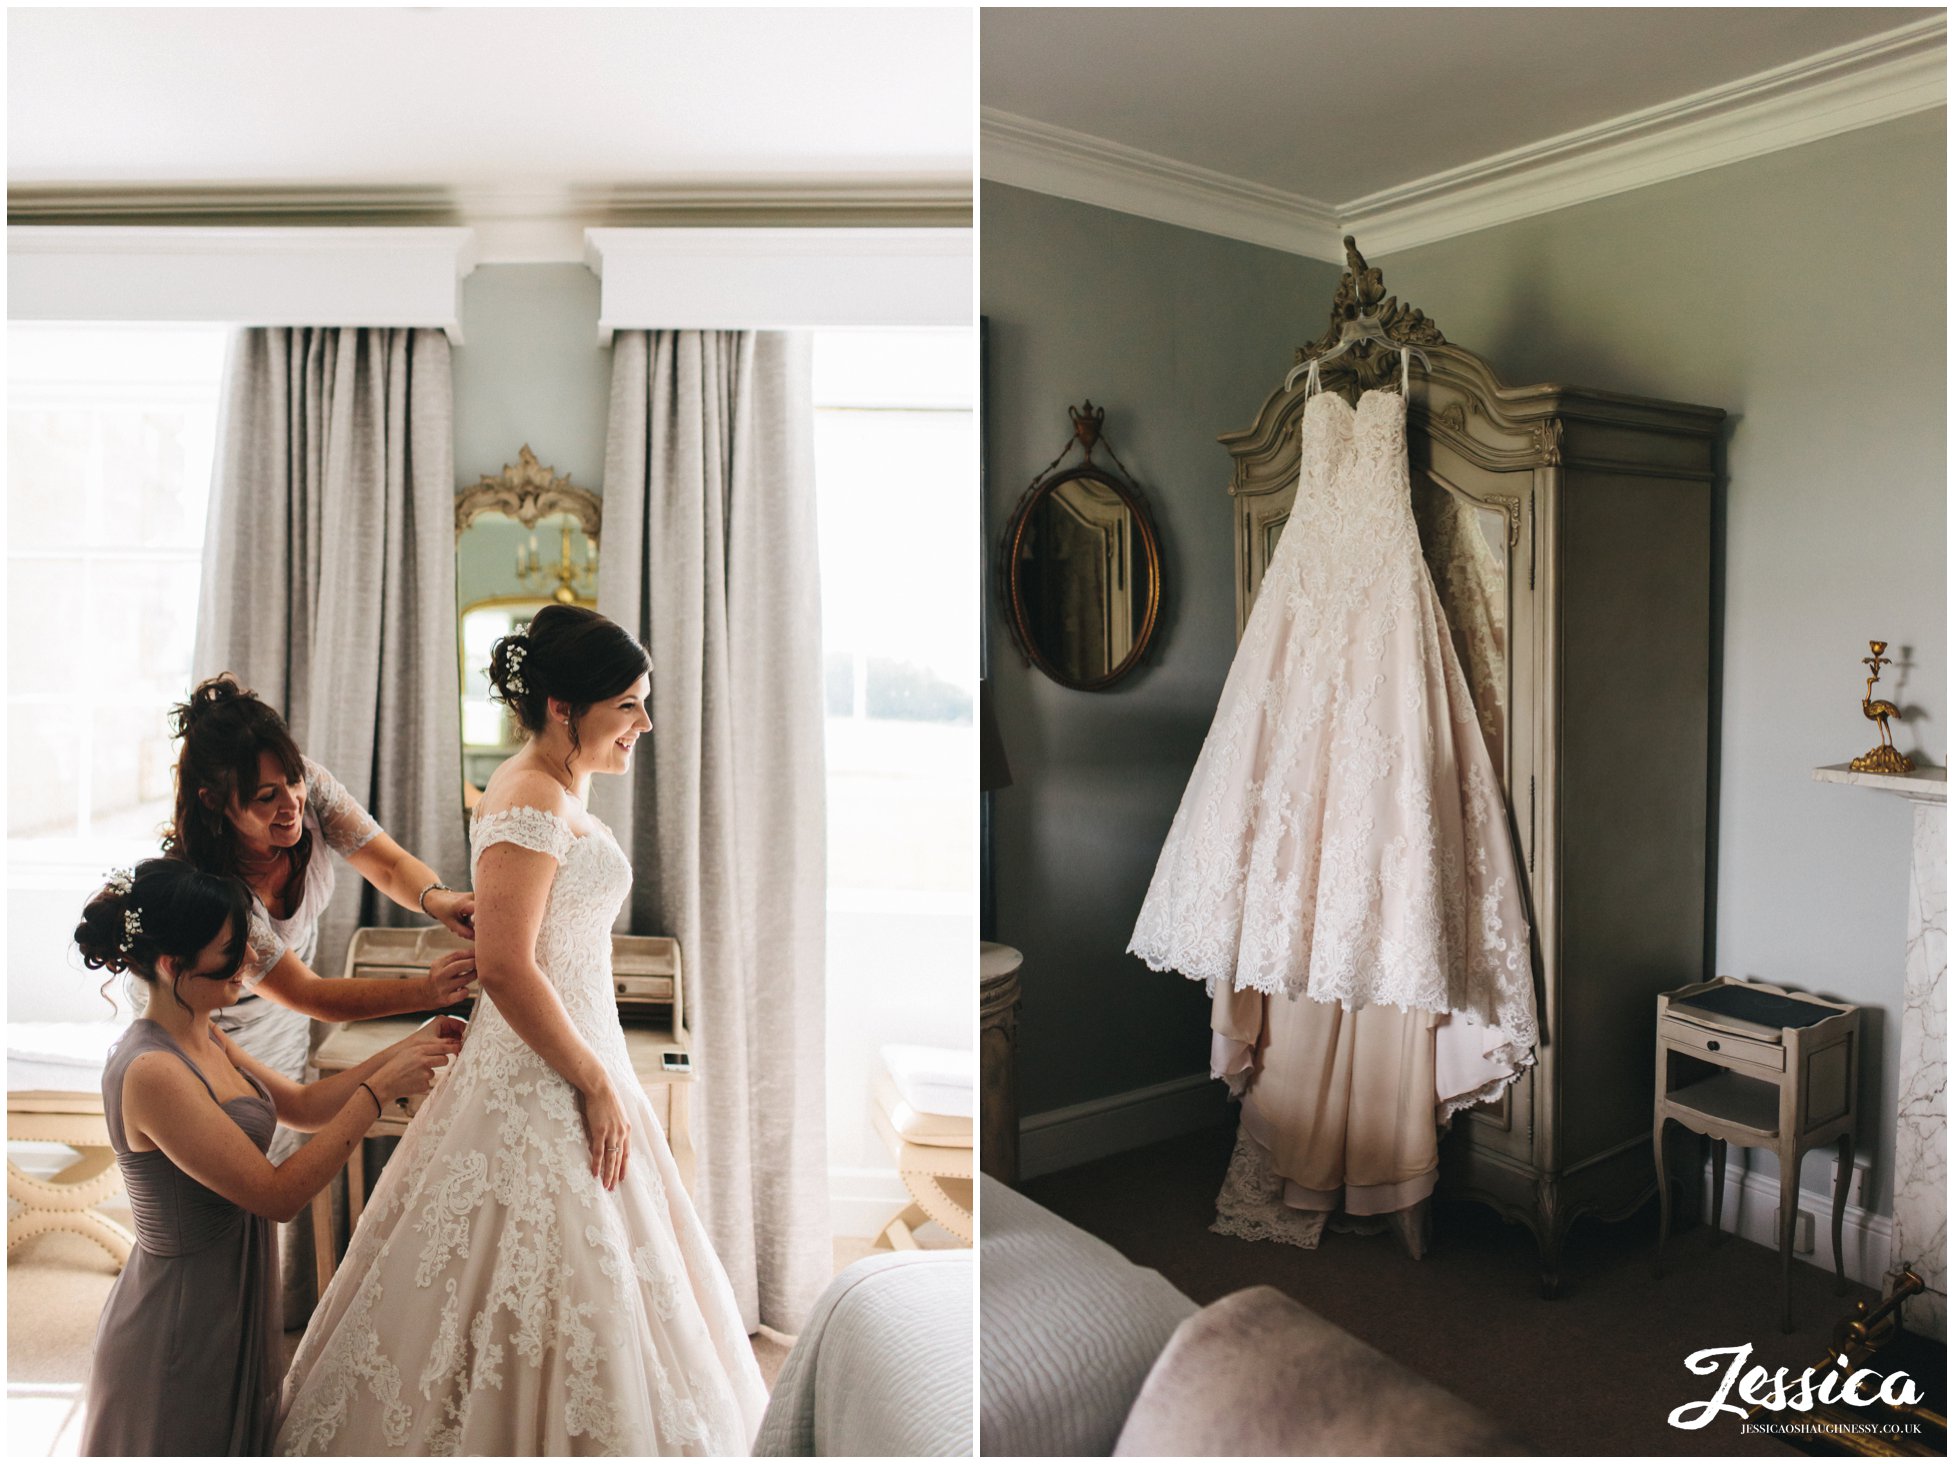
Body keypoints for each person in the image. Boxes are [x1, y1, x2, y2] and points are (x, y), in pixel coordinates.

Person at [277, 605, 767, 1455]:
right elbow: (505, 969)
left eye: (644, 703)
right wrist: (592, 1080)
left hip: (577, 1047)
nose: (643, 724)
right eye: (627, 706)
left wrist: (599, 1071)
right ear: (563, 708)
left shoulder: (558, 787)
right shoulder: (531, 795)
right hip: (546, 1068)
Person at [73, 859, 461, 1456]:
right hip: (180, 1323)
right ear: (174, 965)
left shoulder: (204, 1031)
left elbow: (303, 1107)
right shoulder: (152, 1072)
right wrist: (379, 1092)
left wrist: (412, 1043)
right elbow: (276, 1195)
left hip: (235, 1298)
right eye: (229, 954)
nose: (246, 967)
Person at [166, 676, 477, 1312]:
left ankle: (255, 1334)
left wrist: (440, 899)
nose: (289, 804)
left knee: (279, 1164)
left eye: (292, 784)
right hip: (225, 1031)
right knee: (230, 1198)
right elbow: (309, 994)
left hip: (284, 1029)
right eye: (264, 797)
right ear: (212, 801)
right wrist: (423, 991)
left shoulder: (308, 790)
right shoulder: (214, 886)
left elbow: (387, 864)